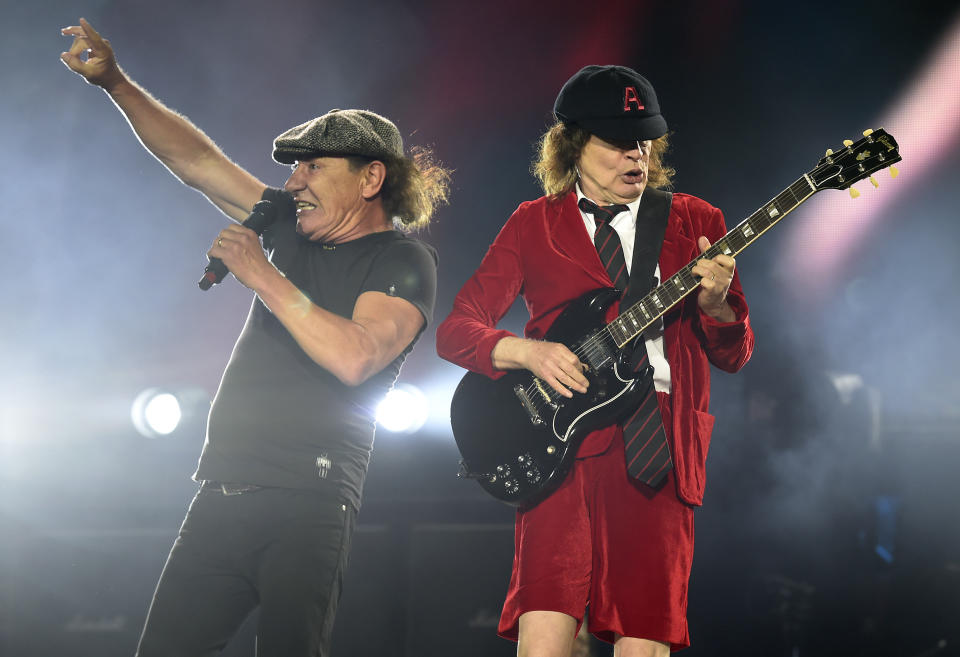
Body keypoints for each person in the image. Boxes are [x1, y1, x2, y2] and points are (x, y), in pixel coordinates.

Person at [61, 18, 449, 657]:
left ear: (371, 178)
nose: (294, 182)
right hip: (221, 491)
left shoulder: (403, 262)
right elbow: (198, 163)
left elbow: (355, 356)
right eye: (295, 170)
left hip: (311, 499)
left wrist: (264, 275)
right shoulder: (288, 227)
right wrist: (115, 83)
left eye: (313, 167)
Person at [436, 65, 754, 655]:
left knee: (644, 644)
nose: (636, 155)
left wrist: (715, 303)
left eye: (643, 140)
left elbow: (734, 353)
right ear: (573, 143)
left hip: (655, 448)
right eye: (617, 142)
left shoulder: (696, 220)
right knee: (547, 641)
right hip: (558, 445)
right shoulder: (533, 223)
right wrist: (525, 350)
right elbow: (456, 329)